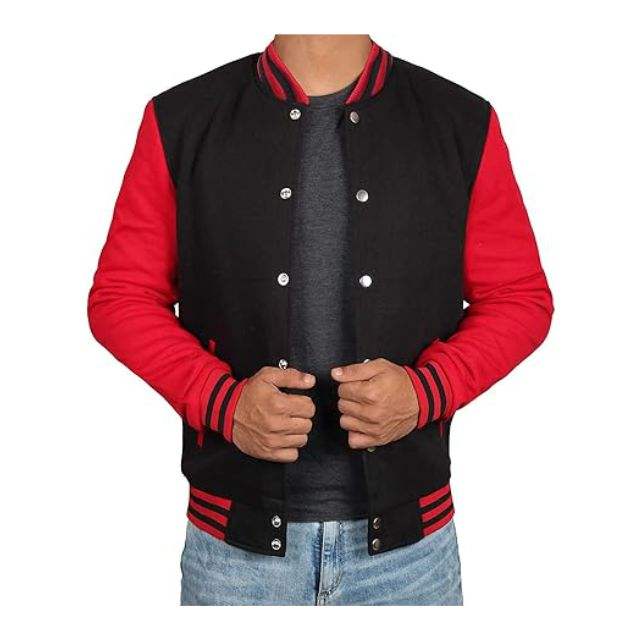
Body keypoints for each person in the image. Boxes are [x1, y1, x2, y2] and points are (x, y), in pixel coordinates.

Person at [88, 34, 553, 605]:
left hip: (410, 557)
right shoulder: (182, 117)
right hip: (235, 556)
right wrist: (222, 403)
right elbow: (122, 296)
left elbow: (519, 297)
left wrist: (425, 391)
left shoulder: (460, 120)